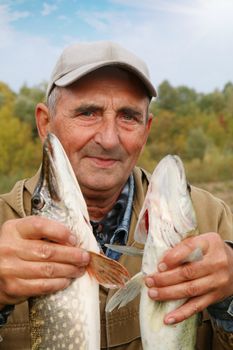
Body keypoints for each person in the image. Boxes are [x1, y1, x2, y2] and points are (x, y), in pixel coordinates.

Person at [0, 41, 232, 350]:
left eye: (128, 116)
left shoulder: (208, 217)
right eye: (88, 113)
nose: (109, 139)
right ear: (45, 123)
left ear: (146, 129)